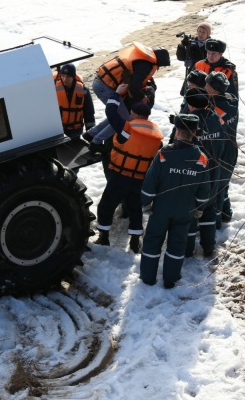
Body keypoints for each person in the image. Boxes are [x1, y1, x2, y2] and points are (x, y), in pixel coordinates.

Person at [140, 114, 210, 289]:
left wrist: (146, 204)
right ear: (194, 132)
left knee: (152, 241)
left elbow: (150, 183)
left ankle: (148, 278)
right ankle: (170, 279)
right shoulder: (201, 159)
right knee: (177, 244)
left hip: (161, 209)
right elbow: (204, 189)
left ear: (177, 131)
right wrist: (199, 208)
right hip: (185, 211)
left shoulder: (163, 155)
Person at [95, 84, 164, 253]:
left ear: (137, 115)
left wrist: (117, 95)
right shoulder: (156, 137)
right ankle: (134, 241)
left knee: (106, 205)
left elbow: (111, 113)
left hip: (120, 176)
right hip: (139, 178)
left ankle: (103, 237)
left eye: (132, 113)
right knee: (135, 209)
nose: (130, 115)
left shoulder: (128, 129)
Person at [85, 42, 171, 149]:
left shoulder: (143, 60)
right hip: (105, 87)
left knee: (119, 114)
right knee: (125, 119)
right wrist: (142, 97)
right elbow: (134, 88)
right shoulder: (145, 65)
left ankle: (90, 134)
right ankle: (96, 142)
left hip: (101, 82)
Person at [181, 88, 224, 257]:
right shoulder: (215, 118)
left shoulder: (189, 124)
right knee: (208, 209)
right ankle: (208, 246)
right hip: (214, 170)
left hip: (195, 174)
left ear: (190, 105)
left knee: (191, 211)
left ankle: (188, 248)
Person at [205, 71, 238, 225]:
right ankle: (226, 212)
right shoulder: (232, 101)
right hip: (232, 148)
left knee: (216, 187)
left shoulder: (215, 109)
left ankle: (216, 220)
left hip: (221, 150)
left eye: (207, 84)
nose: (204, 87)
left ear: (214, 88)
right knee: (224, 183)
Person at [54, 64, 95, 139]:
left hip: (75, 130)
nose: (65, 79)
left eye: (68, 77)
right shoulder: (53, 89)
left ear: (73, 77)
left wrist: (91, 133)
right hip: (59, 130)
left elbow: (89, 113)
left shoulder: (83, 90)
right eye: (63, 76)